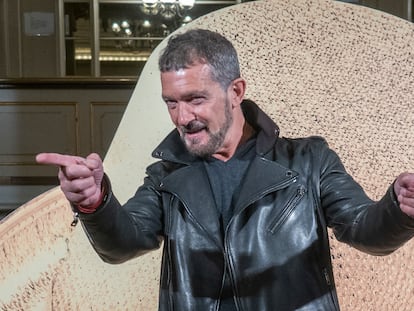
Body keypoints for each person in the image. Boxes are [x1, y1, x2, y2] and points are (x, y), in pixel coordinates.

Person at [36, 29, 414, 311]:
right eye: (171, 103)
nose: (182, 118)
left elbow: (366, 230)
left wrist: (400, 207)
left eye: (195, 99)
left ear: (235, 91)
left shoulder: (310, 161)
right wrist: (94, 202)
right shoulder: (165, 176)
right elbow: (122, 244)